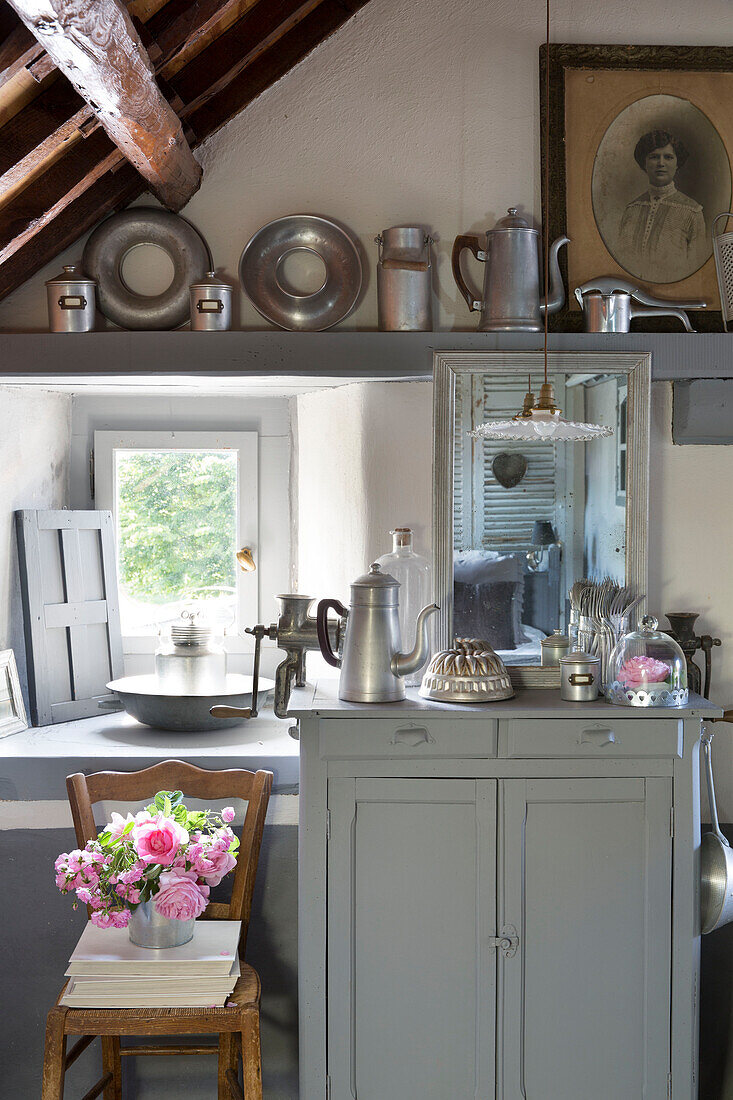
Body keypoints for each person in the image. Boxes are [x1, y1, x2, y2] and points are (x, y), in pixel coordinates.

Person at [618, 129, 706, 282]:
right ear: (643, 163)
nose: (661, 163)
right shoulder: (632, 209)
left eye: (668, 157)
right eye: (653, 157)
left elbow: (697, 270)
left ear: (677, 164)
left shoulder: (692, 211)